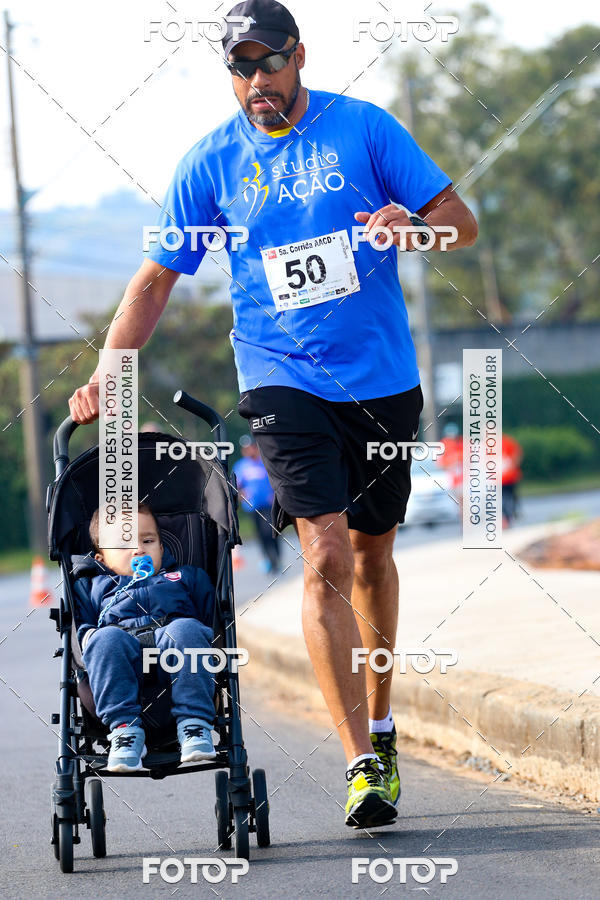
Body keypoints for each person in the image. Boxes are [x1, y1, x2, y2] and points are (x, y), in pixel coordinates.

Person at [68, 0, 478, 827]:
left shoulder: (362, 129)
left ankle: (385, 722)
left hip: (382, 383)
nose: (257, 82)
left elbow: (460, 226)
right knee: (323, 550)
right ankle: (362, 764)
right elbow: (153, 282)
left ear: (299, 57)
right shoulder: (210, 163)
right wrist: (110, 373)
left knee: (371, 558)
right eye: (241, 68)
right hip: (281, 380)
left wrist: (414, 230)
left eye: (269, 63)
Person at [74, 504, 216, 772]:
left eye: (148, 540)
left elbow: (211, 620)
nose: (139, 549)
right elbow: (81, 634)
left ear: (161, 548)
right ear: (101, 558)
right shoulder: (92, 587)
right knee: (103, 640)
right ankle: (125, 731)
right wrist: (95, 638)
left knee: (187, 629)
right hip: (121, 661)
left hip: (174, 656)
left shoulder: (185, 577)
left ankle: (194, 724)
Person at [233, 434, 282, 573]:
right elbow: (236, 486)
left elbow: (276, 481)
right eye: (246, 448)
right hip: (252, 507)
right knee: (261, 534)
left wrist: (275, 495)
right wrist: (241, 494)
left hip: (268, 505)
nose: (249, 450)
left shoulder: (265, 462)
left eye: (251, 447)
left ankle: (276, 557)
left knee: (271, 532)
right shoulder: (241, 466)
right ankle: (268, 559)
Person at [502, 434, 523, 525]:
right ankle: (506, 517)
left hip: (510, 476)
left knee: (511, 495)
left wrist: (512, 464)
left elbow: (517, 454)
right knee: (501, 498)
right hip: (496, 478)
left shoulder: (507, 441)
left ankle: (514, 510)